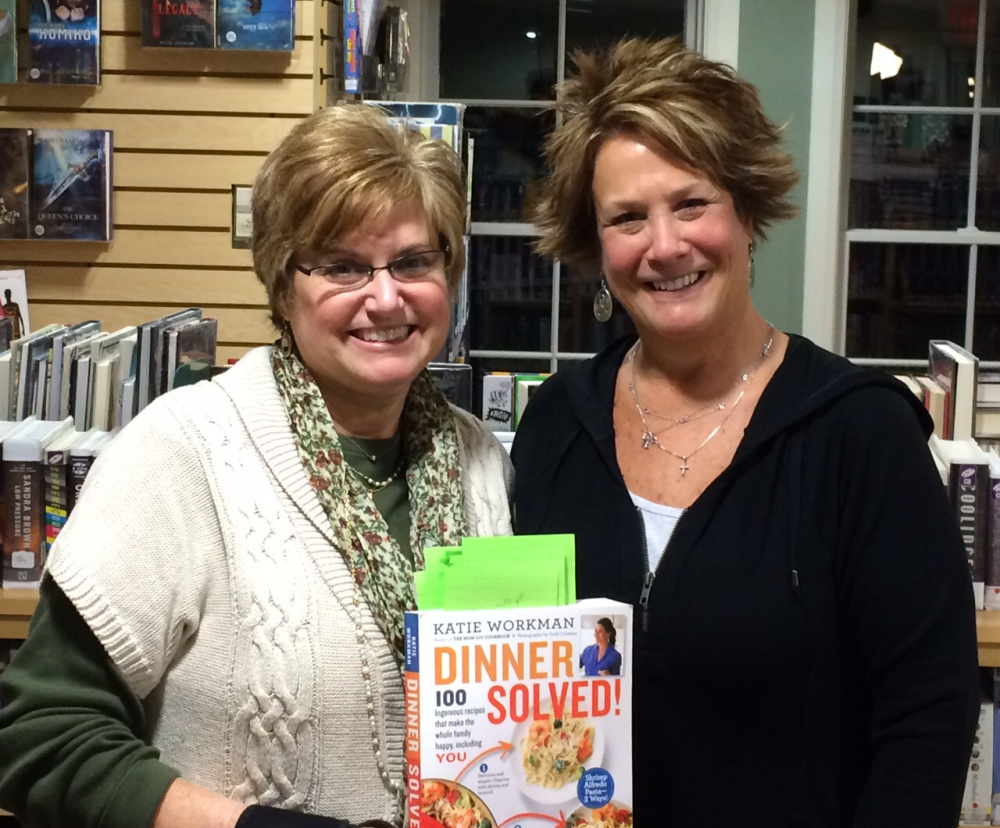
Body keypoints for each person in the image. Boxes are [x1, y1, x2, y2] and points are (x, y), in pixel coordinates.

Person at [0, 103, 513, 828]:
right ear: (282, 285)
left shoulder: (480, 460)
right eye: (340, 266)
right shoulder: (186, 449)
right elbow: (42, 736)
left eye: (413, 261)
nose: (387, 296)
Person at [511, 36, 979, 828]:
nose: (665, 246)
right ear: (597, 248)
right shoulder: (558, 421)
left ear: (748, 210)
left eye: (692, 203)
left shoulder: (858, 432)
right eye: (628, 218)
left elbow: (927, 721)